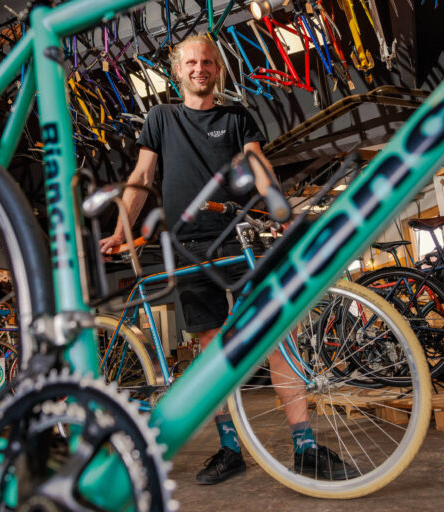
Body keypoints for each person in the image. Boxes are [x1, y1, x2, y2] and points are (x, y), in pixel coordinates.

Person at [100, 34, 357, 485]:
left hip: (239, 239)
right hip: (189, 247)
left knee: (279, 336)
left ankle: (305, 447)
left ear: (217, 70)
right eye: (191, 63)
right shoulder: (161, 118)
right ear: (177, 71)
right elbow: (142, 175)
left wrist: (280, 209)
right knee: (211, 350)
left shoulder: (236, 117)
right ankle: (229, 449)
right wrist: (124, 229)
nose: (199, 68)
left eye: (207, 62)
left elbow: (258, 166)